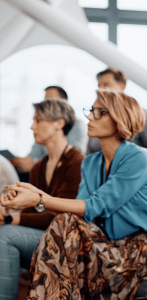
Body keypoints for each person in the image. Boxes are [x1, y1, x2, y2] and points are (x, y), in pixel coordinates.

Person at [1, 90, 147, 299]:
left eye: (100, 112)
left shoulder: (139, 158)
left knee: (64, 224)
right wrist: (34, 195)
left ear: (120, 118)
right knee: (65, 222)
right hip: (105, 245)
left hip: (139, 250)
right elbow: (80, 210)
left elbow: (96, 205)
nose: (89, 116)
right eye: (91, 111)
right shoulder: (91, 162)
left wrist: (40, 198)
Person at [0, 99, 84, 300]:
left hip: (67, 242)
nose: (32, 126)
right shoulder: (39, 167)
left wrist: (14, 219)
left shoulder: (77, 163)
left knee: (5, 234)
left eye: (38, 120)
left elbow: (63, 217)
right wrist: (10, 211)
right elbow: (33, 212)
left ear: (59, 123)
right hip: (42, 237)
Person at [10, 86, 87, 174]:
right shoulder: (42, 135)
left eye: (50, 100)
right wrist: (20, 162)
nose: (45, 104)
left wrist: (35, 164)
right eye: (45, 100)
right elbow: (33, 154)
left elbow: (73, 154)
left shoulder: (78, 125)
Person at [86, 67, 147, 155]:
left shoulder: (140, 114)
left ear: (122, 86)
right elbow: (89, 152)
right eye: (99, 86)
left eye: (106, 85)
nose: (101, 89)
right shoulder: (95, 118)